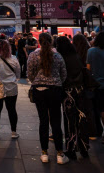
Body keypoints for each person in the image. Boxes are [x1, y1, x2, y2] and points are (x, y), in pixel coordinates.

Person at [28, 33, 68, 164]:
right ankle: (60, 154)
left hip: (39, 90)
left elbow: (30, 73)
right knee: (56, 121)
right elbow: (64, 74)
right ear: (51, 42)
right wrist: (56, 82)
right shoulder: (57, 56)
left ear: (39, 42)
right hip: (55, 90)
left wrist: (37, 81)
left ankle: (44, 153)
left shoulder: (33, 55)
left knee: (43, 121)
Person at [56, 36, 88, 160]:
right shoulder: (77, 56)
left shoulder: (61, 58)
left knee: (69, 120)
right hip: (79, 90)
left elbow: (62, 75)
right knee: (81, 118)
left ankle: (71, 147)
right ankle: (84, 147)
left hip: (67, 92)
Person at [0, 39, 21, 140]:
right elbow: (18, 73)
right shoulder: (14, 59)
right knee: (11, 110)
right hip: (11, 87)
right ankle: (13, 131)